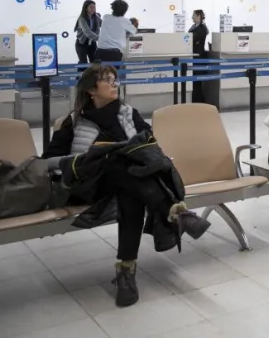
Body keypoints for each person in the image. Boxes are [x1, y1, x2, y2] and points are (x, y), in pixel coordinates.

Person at [43, 65, 211, 307]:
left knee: (129, 189)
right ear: (91, 90)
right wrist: (82, 160)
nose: (115, 85)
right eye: (108, 80)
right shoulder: (74, 121)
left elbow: (151, 145)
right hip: (88, 185)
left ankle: (126, 270)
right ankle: (175, 212)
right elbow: (47, 161)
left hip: (127, 183)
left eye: (115, 80)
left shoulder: (129, 114)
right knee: (117, 161)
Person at [189, 10, 209, 103]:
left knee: (197, 80)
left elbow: (193, 39)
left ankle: (199, 100)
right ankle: (196, 99)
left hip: (198, 56)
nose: (192, 17)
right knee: (194, 80)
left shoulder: (202, 28)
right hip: (193, 55)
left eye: (194, 15)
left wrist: (194, 41)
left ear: (198, 16)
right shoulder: (194, 26)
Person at [74, 0, 102, 64]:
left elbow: (104, 24)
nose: (93, 9)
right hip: (82, 43)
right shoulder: (82, 18)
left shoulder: (96, 17)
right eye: (91, 7)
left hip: (92, 42)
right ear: (85, 8)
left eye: (94, 7)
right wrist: (100, 39)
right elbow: (87, 32)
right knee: (83, 63)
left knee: (95, 62)